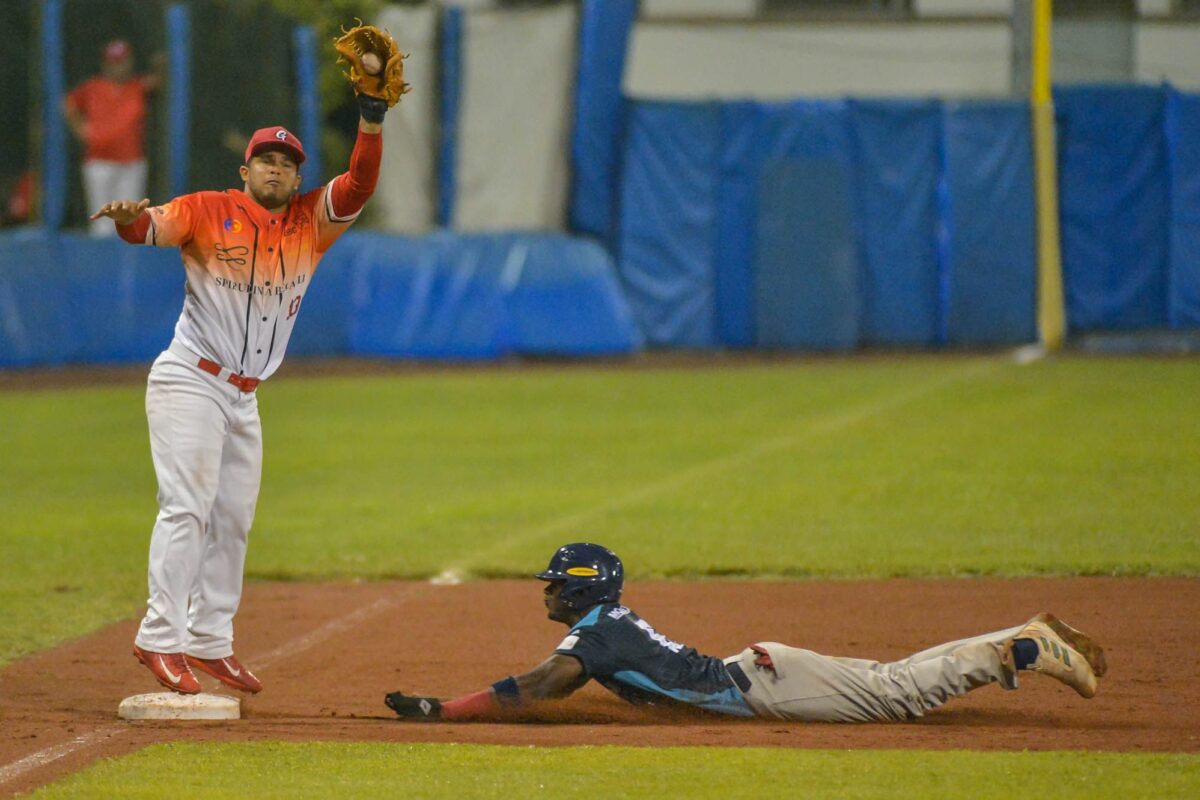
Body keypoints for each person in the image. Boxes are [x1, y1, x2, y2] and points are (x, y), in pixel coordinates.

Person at [91, 70, 394, 697]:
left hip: (245, 394)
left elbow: (361, 182)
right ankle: (159, 638)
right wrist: (126, 221)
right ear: (246, 169)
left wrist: (370, 118)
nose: (277, 170)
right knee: (188, 508)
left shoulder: (313, 223)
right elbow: (149, 228)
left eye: (288, 162)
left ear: (297, 176)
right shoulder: (207, 209)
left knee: (232, 520)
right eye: (266, 160)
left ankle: (209, 642)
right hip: (190, 380)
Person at [385, 543, 1107, 723]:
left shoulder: (593, 638)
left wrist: (442, 709)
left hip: (763, 684)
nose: (544, 589)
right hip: (759, 671)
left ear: (580, 587)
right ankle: (1017, 635)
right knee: (891, 680)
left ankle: (1022, 649)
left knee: (896, 696)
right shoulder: (606, 624)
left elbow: (544, 686)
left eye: (553, 580)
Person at [63, 39, 162, 236]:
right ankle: (101, 266)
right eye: (114, 62)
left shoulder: (137, 86)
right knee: (102, 224)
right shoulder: (93, 87)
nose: (119, 67)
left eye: (122, 61)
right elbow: (68, 104)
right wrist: (82, 130)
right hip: (99, 161)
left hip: (131, 163)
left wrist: (161, 65)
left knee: (130, 221)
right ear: (105, 64)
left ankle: (127, 267)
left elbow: (159, 81)